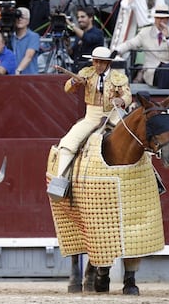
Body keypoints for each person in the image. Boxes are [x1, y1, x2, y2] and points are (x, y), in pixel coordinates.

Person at [47, 46, 132, 200]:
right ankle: (60, 182)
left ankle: (151, 178)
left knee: (135, 138)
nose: (98, 65)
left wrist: (121, 100)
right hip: (91, 116)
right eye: (95, 61)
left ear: (108, 63)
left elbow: (128, 96)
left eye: (101, 62)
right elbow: (67, 89)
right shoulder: (86, 73)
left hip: (113, 115)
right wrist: (75, 81)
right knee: (68, 143)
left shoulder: (118, 77)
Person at [114, 4, 169, 88]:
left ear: (168, 19)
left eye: (163, 18)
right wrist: (117, 50)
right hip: (153, 70)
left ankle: (165, 94)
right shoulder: (145, 32)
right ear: (154, 19)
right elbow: (131, 43)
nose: (160, 21)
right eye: (158, 18)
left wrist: (168, 38)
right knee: (165, 71)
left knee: (168, 68)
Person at [65, 6, 104, 73]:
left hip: (91, 73)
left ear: (91, 18)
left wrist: (70, 24)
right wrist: (68, 46)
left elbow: (87, 38)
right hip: (77, 72)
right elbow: (73, 56)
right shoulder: (79, 34)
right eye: (78, 17)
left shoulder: (98, 33)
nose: (79, 20)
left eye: (82, 17)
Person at [10, 7, 40, 75]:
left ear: (28, 21)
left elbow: (29, 56)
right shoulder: (10, 36)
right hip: (11, 77)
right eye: (18, 17)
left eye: (23, 17)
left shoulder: (33, 36)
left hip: (29, 77)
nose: (20, 19)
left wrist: (18, 71)